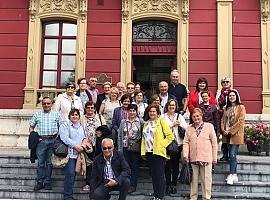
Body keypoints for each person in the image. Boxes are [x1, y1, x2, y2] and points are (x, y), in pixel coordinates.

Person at [183, 108, 218, 200]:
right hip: (193, 158)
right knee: (193, 181)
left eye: (198, 116)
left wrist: (214, 158)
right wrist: (185, 155)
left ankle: (206, 198)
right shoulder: (189, 128)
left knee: (206, 180)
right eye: (194, 116)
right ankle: (193, 197)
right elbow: (186, 142)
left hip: (206, 158)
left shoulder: (209, 126)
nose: (196, 118)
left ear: (201, 116)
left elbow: (214, 143)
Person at [141, 104, 174, 200]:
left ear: (157, 112)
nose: (152, 113)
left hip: (158, 152)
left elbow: (170, 136)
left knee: (159, 175)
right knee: (154, 175)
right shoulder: (146, 123)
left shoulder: (161, 121)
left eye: (154, 111)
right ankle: (156, 195)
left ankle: (160, 196)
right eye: (150, 111)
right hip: (149, 152)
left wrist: (162, 145)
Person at [29, 97, 62, 191]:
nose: (46, 105)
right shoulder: (37, 114)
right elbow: (31, 127)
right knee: (41, 163)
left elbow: (61, 127)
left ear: (51, 104)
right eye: (44, 103)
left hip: (52, 141)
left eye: (48, 103)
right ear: (42, 104)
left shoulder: (56, 114)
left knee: (49, 163)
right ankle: (39, 182)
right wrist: (33, 136)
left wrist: (56, 138)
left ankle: (47, 182)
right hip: (41, 142)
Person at [161, 99, 188, 195]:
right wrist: (172, 124)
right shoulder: (162, 117)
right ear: (167, 106)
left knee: (175, 166)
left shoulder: (179, 116)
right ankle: (168, 185)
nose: (171, 107)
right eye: (170, 105)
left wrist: (179, 123)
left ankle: (174, 185)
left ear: (176, 106)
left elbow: (186, 127)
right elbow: (161, 128)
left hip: (177, 144)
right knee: (167, 166)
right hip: (166, 144)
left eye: (173, 105)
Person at [59, 109, 85, 200]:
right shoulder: (65, 126)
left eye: (76, 115)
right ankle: (67, 196)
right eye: (72, 115)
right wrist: (75, 146)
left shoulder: (81, 126)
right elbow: (64, 138)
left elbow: (84, 138)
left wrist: (82, 146)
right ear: (69, 116)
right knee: (70, 173)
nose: (75, 116)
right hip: (69, 154)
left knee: (74, 174)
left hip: (79, 155)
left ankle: (69, 195)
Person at [221, 89, 246, 185]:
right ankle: (234, 174)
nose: (232, 97)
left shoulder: (241, 107)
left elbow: (240, 121)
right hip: (226, 134)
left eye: (233, 95)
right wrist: (223, 130)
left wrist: (230, 131)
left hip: (235, 134)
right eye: (230, 96)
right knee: (232, 156)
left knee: (232, 154)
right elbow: (223, 120)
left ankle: (231, 174)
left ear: (237, 97)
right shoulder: (226, 108)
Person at [80, 101, 106, 191]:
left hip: (98, 144)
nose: (90, 109)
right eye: (88, 108)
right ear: (85, 109)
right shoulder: (82, 118)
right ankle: (88, 183)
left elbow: (106, 129)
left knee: (99, 163)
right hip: (87, 145)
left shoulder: (100, 117)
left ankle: (99, 183)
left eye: (92, 108)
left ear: (94, 109)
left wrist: (101, 132)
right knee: (89, 164)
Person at [118, 104, 143, 193]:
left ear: (136, 112)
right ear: (127, 111)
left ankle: (133, 185)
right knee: (125, 167)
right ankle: (125, 185)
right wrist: (120, 149)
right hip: (125, 148)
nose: (132, 112)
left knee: (135, 167)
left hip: (135, 149)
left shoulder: (140, 122)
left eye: (133, 110)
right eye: (130, 110)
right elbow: (120, 136)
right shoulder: (123, 122)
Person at [217, 76, 232, 161]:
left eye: (227, 82)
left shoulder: (233, 92)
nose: (225, 83)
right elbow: (217, 104)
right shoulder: (219, 93)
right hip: (222, 116)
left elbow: (238, 103)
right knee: (224, 137)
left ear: (230, 83)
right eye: (223, 82)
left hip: (231, 117)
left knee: (230, 136)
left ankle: (231, 154)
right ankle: (225, 154)